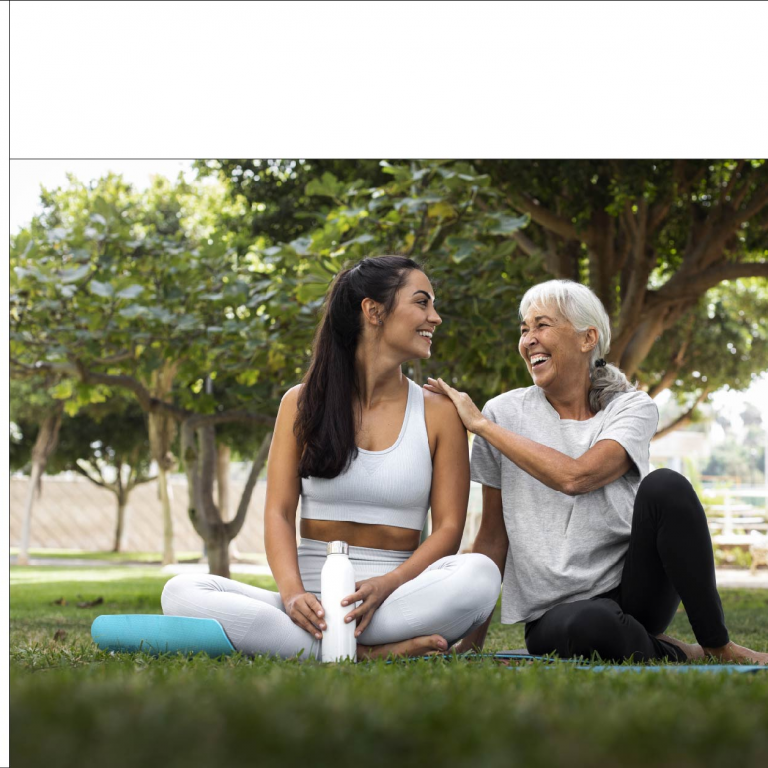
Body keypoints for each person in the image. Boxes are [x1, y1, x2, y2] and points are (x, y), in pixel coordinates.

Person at [162, 256, 501, 660]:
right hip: (310, 606)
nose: (436, 317)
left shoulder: (439, 411)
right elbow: (279, 513)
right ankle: (367, 654)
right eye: (422, 303)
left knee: (480, 575)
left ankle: (316, 649)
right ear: (373, 311)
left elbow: (448, 530)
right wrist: (291, 596)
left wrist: (385, 585)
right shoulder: (301, 403)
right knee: (180, 593)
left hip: (395, 601)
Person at [425, 279, 768, 664]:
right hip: (556, 614)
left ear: (588, 338)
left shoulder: (631, 407)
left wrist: (484, 429)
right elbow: (491, 538)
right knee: (593, 625)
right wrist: (471, 644)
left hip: (635, 591)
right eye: (524, 330)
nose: (529, 339)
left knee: (667, 486)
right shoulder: (503, 414)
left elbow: (577, 477)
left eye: (542, 325)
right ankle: (678, 650)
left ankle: (718, 646)